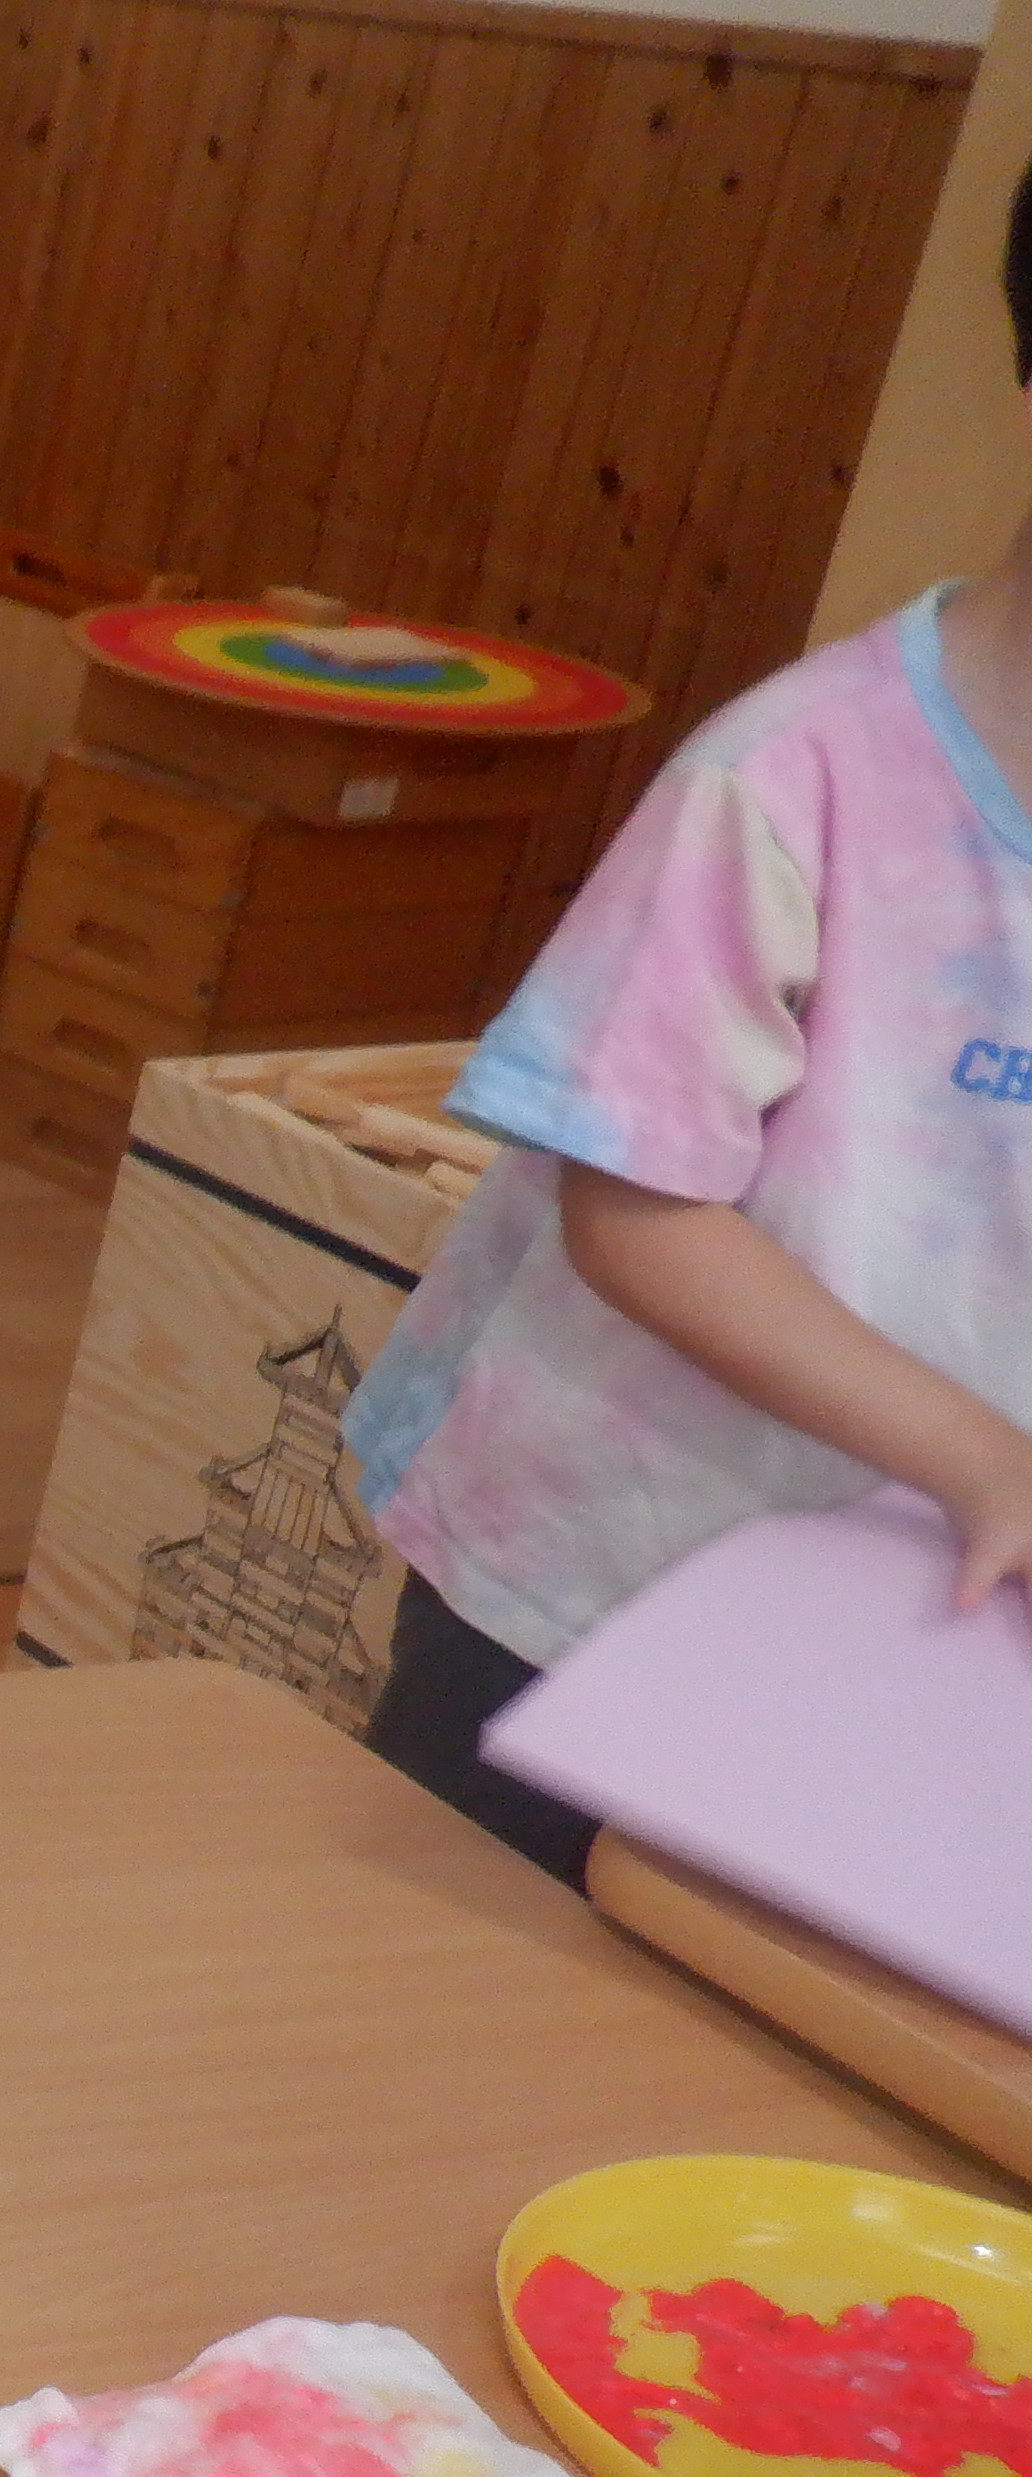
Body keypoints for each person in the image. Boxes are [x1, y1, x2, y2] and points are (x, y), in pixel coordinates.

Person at [344, 159, 1032, 1885]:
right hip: (590, 1591)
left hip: (919, 1653)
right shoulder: (791, 777)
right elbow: (640, 1214)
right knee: (449, 1973)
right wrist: (980, 1456)